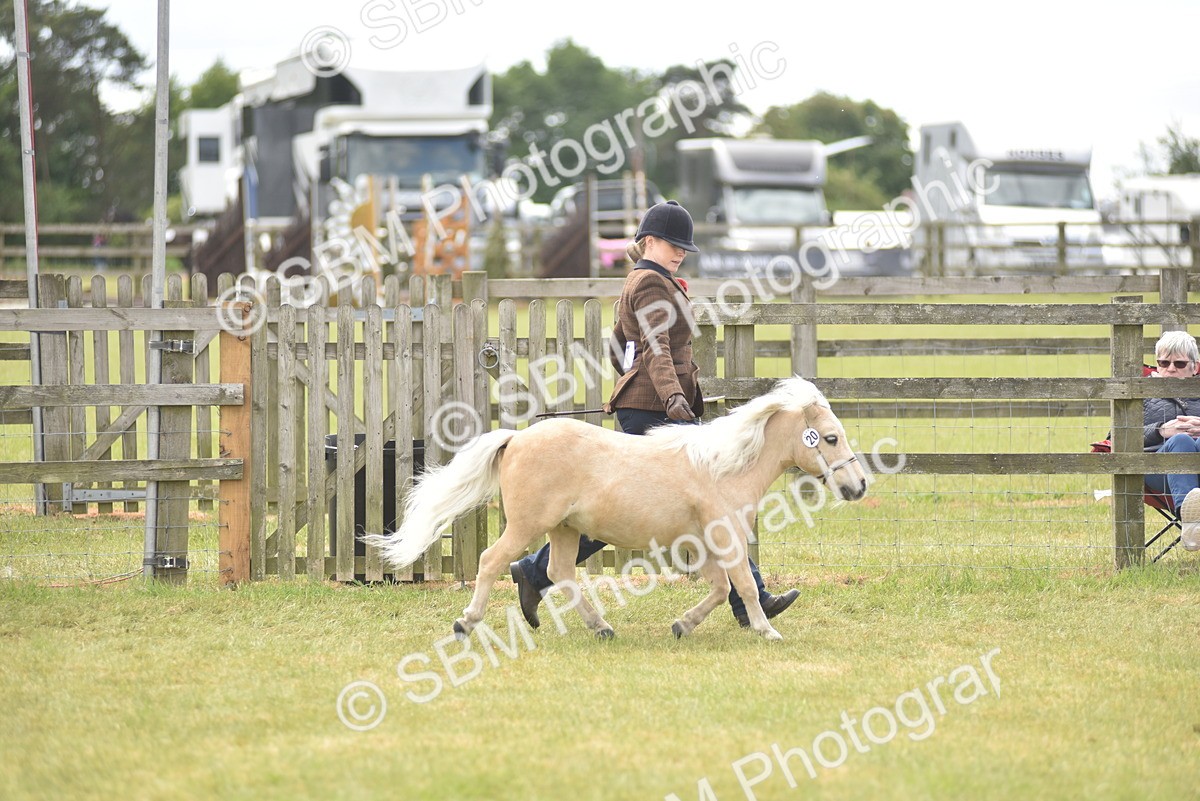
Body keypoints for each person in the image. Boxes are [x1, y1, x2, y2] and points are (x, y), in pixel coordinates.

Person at [509, 200, 801, 627]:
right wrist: (669, 398)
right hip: (656, 410)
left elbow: (618, 346)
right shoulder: (649, 282)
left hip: (650, 402)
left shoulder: (646, 279)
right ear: (648, 241)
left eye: (684, 245)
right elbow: (656, 347)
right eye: (671, 243)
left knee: (680, 503)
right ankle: (748, 603)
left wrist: (634, 380)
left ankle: (535, 572)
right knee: (691, 503)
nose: (680, 251)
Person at [1142, 330, 1200, 550]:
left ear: (1195, 367)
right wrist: (1161, 430)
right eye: (1164, 363)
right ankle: (1191, 521)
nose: (1170, 369)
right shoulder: (1142, 392)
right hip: (1159, 469)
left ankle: (1194, 526)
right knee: (1181, 441)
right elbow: (1118, 436)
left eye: (1179, 363)